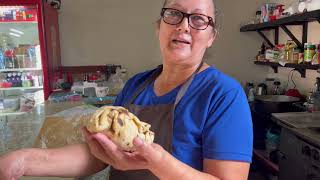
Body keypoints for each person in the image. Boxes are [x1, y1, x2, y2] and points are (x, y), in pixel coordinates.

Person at [0, 0, 253, 179]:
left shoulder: (224, 95)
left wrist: (156, 162)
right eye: (174, 13)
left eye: (198, 19)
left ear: (211, 37)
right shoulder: (136, 85)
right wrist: (25, 160)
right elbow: (100, 155)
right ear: (159, 27)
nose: (184, 26)